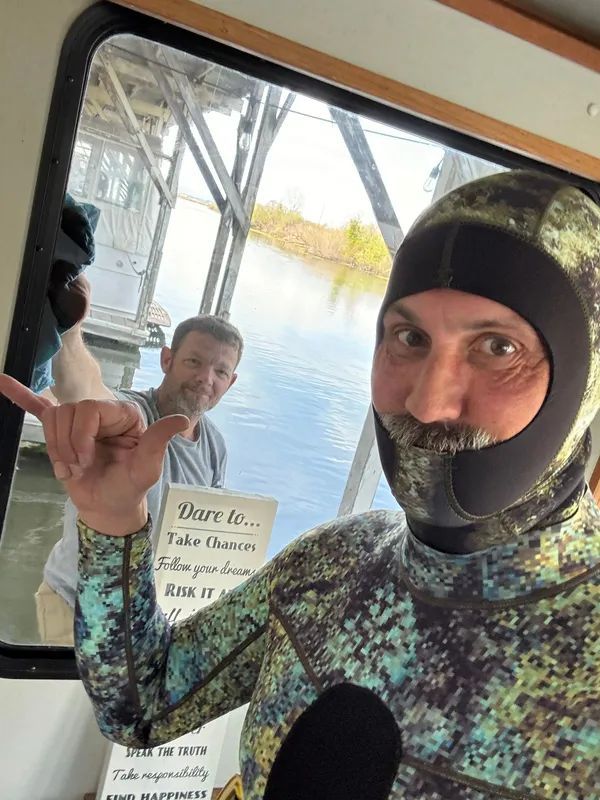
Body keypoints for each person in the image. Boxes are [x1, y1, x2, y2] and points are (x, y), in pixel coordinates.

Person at [2, 170, 598, 799]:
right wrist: (114, 522)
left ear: (583, 380)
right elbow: (141, 705)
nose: (427, 402)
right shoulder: (334, 562)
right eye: (410, 337)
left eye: (498, 348)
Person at [36, 312, 243, 645]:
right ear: (167, 360)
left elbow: (206, 543)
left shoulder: (215, 445)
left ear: (230, 382)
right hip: (78, 606)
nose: (206, 378)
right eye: (194, 362)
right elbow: (83, 390)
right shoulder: (130, 416)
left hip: (150, 620)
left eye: (220, 371)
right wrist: (71, 326)